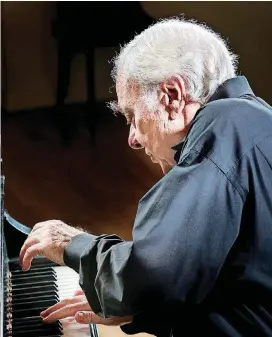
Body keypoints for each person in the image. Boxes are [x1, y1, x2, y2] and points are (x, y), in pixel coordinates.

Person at [19, 18, 272, 337]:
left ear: (172, 96)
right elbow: (215, 282)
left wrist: (70, 243)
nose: (133, 139)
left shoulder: (223, 130)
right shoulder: (255, 120)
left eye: (132, 116)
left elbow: (154, 274)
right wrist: (134, 309)